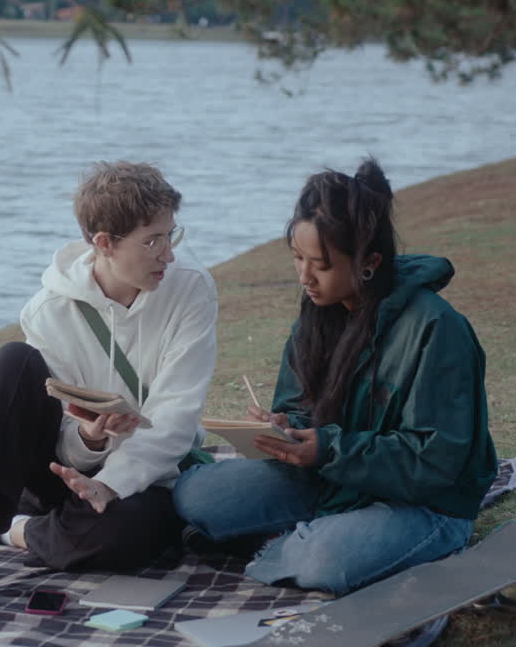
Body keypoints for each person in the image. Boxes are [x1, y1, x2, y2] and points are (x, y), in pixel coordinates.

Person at [0, 161, 218, 610]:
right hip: (65, 471)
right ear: (104, 243)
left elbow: (177, 414)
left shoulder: (191, 290)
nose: (168, 254)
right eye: (152, 241)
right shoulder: (48, 311)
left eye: (171, 235)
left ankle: (5, 526)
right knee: (13, 360)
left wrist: (110, 482)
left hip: (146, 475)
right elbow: (62, 442)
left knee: (128, 536)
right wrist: (90, 438)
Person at [173, 158, 497, 597]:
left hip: (425, 504)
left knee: (323, 559)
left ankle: (294, 543)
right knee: (197, 496)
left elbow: (435, 463)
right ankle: (307, 534)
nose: (304, 276)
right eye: (297, 258)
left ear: (368, 263)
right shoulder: (318, 314)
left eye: (320, 264)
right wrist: (287, 429)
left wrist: (328, 448)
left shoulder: (436, 330)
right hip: (333, 478)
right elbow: (298, 406)